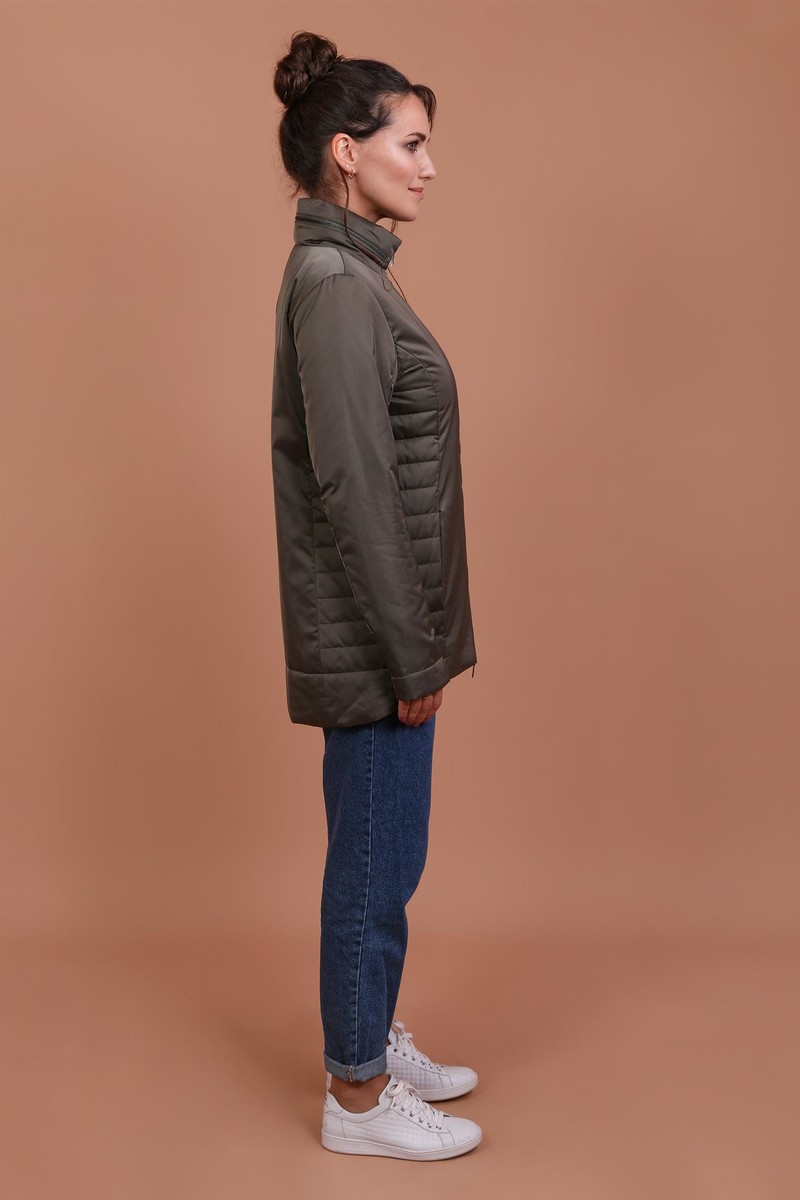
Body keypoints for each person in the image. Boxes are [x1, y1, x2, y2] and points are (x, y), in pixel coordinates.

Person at [271, 31, 481, 1160]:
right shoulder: (335, 286)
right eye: (411, 143)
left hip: (395, 633)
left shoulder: (354, 276)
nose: (428, 166)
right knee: (368, 869)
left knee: (386, 858)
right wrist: (412, 656)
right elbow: (352, 488)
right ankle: (354, 1096)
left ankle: (369, 1038)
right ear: (346, 154)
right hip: (376, 643)